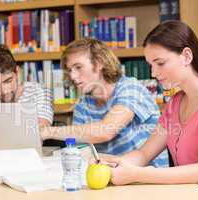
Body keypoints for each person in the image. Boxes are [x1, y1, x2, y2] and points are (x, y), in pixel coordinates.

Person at [100, 20, 198, 199]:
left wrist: (135, 174)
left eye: (160, 63)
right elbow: (144, 154)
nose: (153, 73)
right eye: (150, 65)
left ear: (186, 56)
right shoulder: (175, 103)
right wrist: (111, 163)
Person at [40, 38, 168, 167]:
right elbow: (82, 150)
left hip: (149, 178)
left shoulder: (131, 88)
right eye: (69, 70)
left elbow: (106, 131)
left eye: (78, 67)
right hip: (112, 177)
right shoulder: (83, 105)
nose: (72, 76)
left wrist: (48, 132)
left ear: (100, 62)